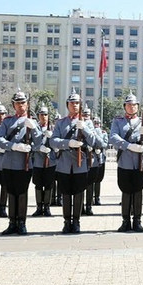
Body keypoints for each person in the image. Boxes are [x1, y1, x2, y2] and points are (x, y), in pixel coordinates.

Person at [0, 90, 42, 236]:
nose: (20, 106)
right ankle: (12, 223)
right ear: (13, 105)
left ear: (27, 104)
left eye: (23, 103)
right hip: (9, 162)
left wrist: (33, 129)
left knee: (22, 193)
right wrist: (13, 146)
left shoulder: (32, 122)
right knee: (11, 193)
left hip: (24, 163)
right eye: (17, 103)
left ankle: (22, 223)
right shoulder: (8, 121)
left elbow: (39, 142)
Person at [51, 90, 96, 234]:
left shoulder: (87, 122)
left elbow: (96, 141)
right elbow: (53, 141)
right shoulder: (61, 122)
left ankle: (76, 222)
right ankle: (66, 222)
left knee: (78, 193)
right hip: (64, 163)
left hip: (80, 163)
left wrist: (85, 129)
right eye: (72, 103)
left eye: (77, 103)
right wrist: (68, 143)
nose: (74, 105)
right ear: (67, 105)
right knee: (65, 194)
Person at [109, 93, 143, 232]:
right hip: (125, 160)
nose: (131, 107)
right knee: (126, 190)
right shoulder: (118, 121)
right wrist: (128, 145)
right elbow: (113, 137)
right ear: (125, 107)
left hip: (141, 160)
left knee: (138, 190)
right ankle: (125, 221)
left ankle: (137, 221)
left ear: (138, 107)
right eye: (129, 105)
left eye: (134, 105)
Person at [31, 104, 56, 218]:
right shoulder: (34, 128)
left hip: (50, 161)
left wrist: (52, 140)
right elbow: (30, 144)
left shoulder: (53, 128)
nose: (43, 117)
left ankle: (47, 207)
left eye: (45, 114)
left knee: (49, 184)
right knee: (38, 185)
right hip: (38, 161)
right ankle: (39, 207)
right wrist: (38, 148)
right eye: (41, 114)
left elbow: (58, 144)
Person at [89, 116, 108, 206]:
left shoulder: (103, 133)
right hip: (92, 158)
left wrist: (99, 148)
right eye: (95, 123)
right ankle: (90, 198)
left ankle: (97, 197)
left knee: (99, 179)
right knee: (91, 179)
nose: (96, 125)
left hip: (100, 158)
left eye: (98, 123)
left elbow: (104, 144)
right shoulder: (90, 133)